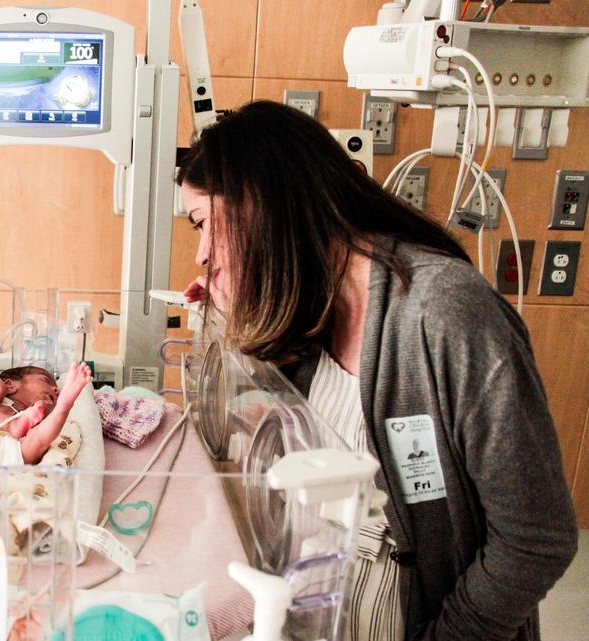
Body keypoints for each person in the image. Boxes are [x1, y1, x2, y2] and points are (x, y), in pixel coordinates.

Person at [178, 100, 577, 641]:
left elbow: (536, 539)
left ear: (265, 204)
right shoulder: (318, 310)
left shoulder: (444, 314)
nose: (201, 253)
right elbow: (261, 429)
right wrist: (231, 317)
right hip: (326, 606)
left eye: (205, 224)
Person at [0, 362, 92, 465]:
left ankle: (64, 406)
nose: (55, 389)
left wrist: (53, 407)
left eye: (57, 389)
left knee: (39, 438)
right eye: (45, 380)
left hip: (18, 455)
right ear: (10, 385)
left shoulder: (37, 417)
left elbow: (44, 435)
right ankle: (12, 426)